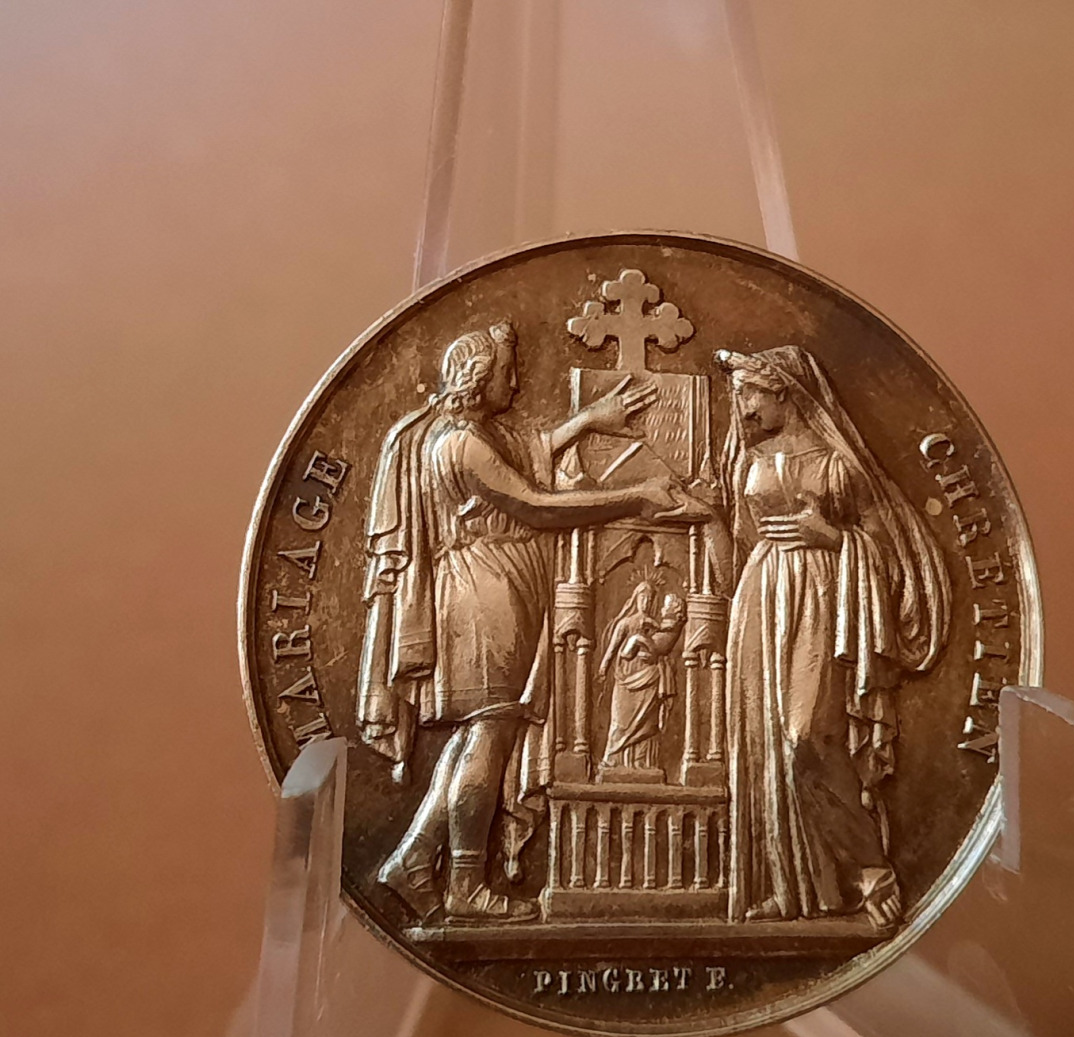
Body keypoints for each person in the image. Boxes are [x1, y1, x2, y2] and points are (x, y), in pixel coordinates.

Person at [357, 321, 704, 922]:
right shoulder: (462, 444)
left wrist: (586, 421)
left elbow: (523, 460)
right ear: (478, 378)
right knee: (488, 734)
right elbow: (535, 505)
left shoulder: (467, 436)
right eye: (506, 372)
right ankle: (466, 885)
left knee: (478, 734)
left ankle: (413, 860)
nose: (516, 383)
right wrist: (636, 497)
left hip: (495, 587)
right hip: (486, 594)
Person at [714, 345, 950, 928]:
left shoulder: (838, 466)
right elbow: (742, 541)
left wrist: (833, 539)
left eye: (751, 394)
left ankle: (871, 868)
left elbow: (889, 551)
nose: (744, 408)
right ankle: (791, 886)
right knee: (767, 743)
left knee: (807, 738)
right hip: (761, 597)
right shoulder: (748, 463)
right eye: (739, 395)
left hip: (823, 599)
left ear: (784, 392)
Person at [598, 583, 685, 777]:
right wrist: (604, 665)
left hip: (648, 678)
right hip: (626, 678)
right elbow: (614, 647)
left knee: (647, 723)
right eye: (643, 598)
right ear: (635, 599)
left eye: (650, 599)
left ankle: (642, 762)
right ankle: (613, 759)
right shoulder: (625, 623)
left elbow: (661, 647)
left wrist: (648, 647)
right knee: (621, 720)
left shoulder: (655, 625)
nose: (646, 602)